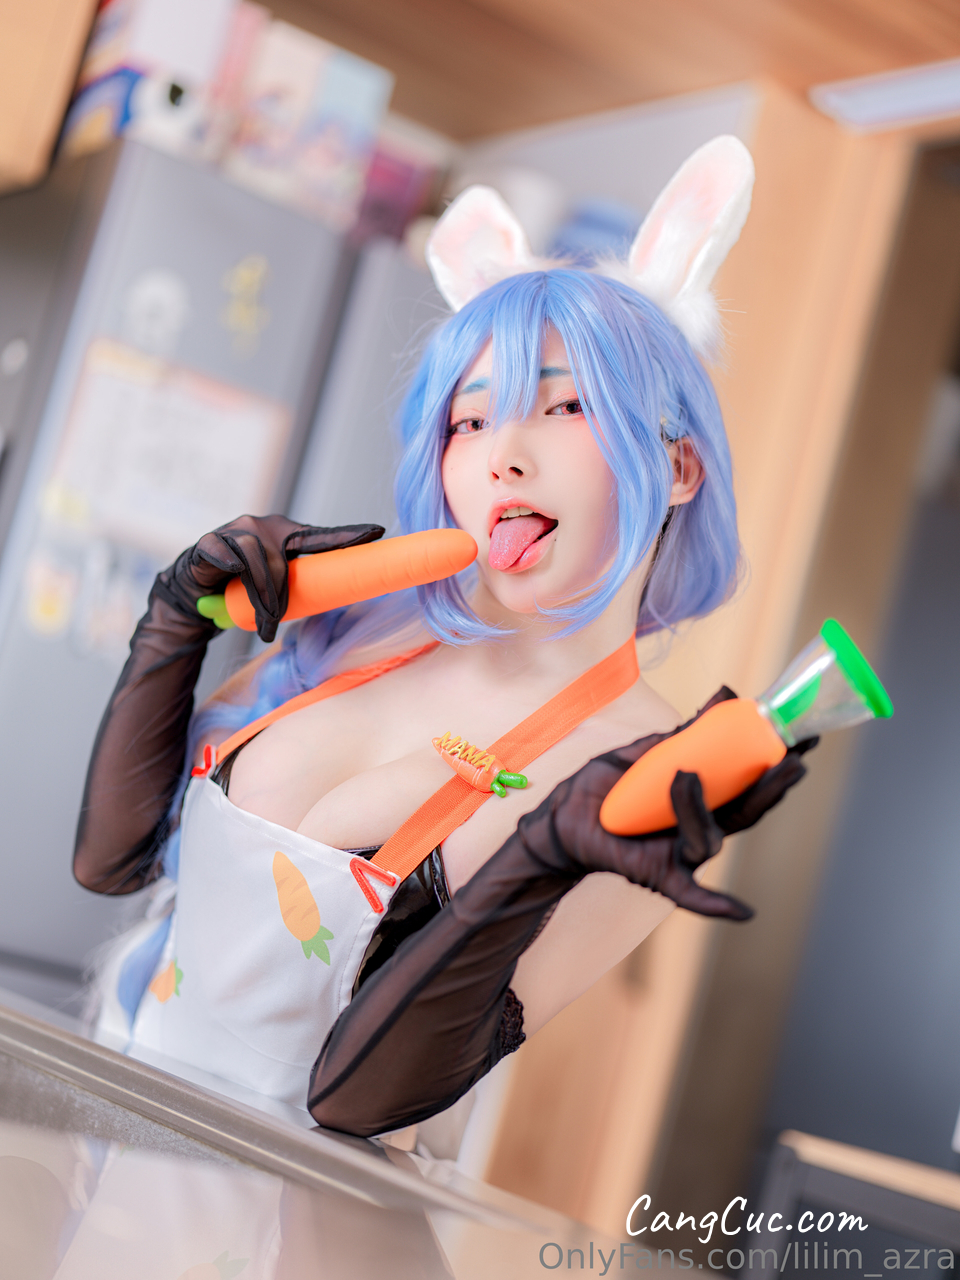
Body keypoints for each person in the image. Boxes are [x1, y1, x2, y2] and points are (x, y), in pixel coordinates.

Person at [74, 137, 812, 1139]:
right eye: (470, 422)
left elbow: (355, 1098)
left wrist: (542, 857)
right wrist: (172, 623)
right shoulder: (360, 637)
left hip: (293, 1208)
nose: (505, 454)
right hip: (103, 1146)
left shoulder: (648, 777)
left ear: (678, 467)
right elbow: (111, 862)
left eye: (566, 406)